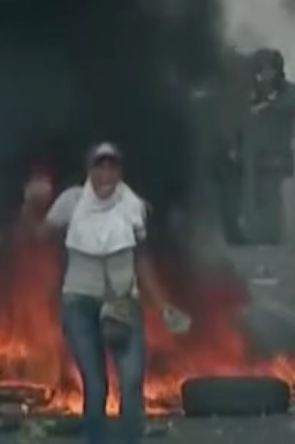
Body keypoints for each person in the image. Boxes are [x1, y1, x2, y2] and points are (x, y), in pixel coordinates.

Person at [25, 143, 190, 444]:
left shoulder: (132, 205)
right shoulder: (72, 202)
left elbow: (141, 259)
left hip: (123, 304)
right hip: (80, 303)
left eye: (111, 167)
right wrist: (30, 205)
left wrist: (164, 304)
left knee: (130, 383)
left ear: (119, 171)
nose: (105, 174)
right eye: (99, 166)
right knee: (96, 386)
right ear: (89, 170)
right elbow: (38, 235)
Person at [241, 49, 295, 243]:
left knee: (272, 191)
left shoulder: (287, 89)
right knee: (254, 192)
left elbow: (291, 105)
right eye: (262, 69)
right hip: (253, 149)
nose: (265, 74)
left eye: (270, 69)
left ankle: (273, 234)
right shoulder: (250, 90)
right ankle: (256, 232)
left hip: (276, 148)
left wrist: (268, 107)